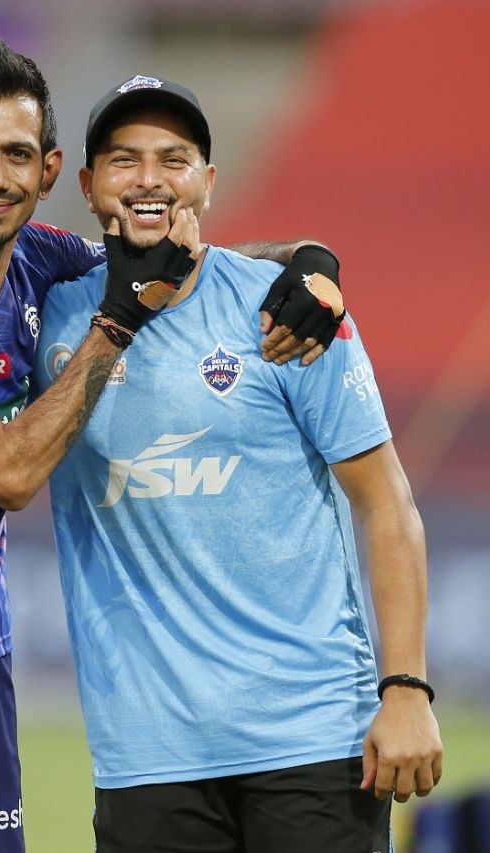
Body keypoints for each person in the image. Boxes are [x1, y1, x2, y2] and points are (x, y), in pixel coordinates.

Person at [0, 38, 337, 853]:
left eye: (15, 154)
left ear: (48, 173)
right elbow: (7, 473)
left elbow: (190, 272)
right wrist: (115, 323)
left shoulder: (38, 259)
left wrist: (308, 262)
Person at [29, 76, 444, 852]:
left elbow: (386, 502)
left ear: (208, 183)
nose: (149, 177)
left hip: (315, 736)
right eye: (123, 160)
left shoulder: (289, 311)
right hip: (146, 751)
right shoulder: (48, 315)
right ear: (86, 186)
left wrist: (406, 687)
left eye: (174, 158)